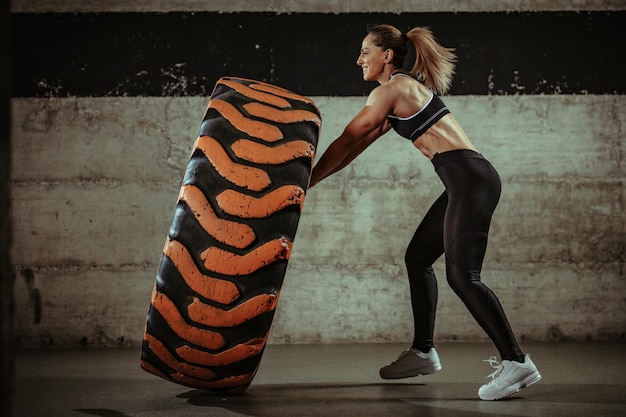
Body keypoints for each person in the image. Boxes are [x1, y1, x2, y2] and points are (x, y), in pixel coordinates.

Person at [308, 24, 541, 401]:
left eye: (366, 51)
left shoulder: (393, 90)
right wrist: (313, 182)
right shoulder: (400, 92)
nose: (359, 58)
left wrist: (305, 184)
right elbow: (357, 145)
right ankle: (423, 351)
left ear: (386, 55)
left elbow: (347, 139)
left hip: (469, 179)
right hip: (464, 179)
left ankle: (517, 362)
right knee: (417, 258)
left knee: (463, 276)